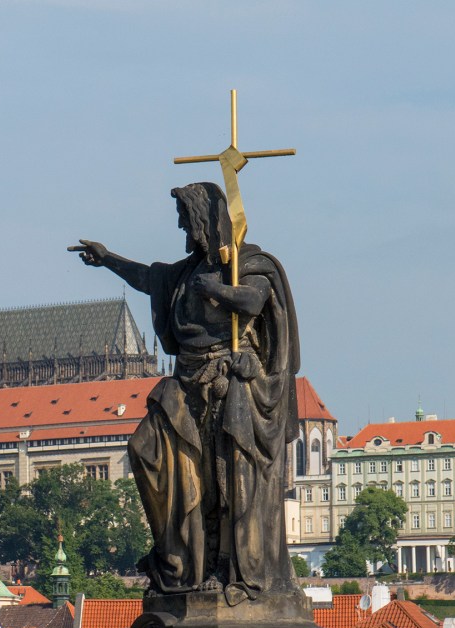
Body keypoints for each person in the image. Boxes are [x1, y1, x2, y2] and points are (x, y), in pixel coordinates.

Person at [69, 182, 300, 605]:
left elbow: (252, 301)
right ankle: (179, 557)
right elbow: (148, 278)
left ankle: (225, 567)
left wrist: (215, 290)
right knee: (145, 447)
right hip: (187, 379)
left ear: (204, 221)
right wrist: (108, 260)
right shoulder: (188, 270)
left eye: (184, 221)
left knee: (226, 480)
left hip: (230, 383)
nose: (180, 229)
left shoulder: (249, 263)